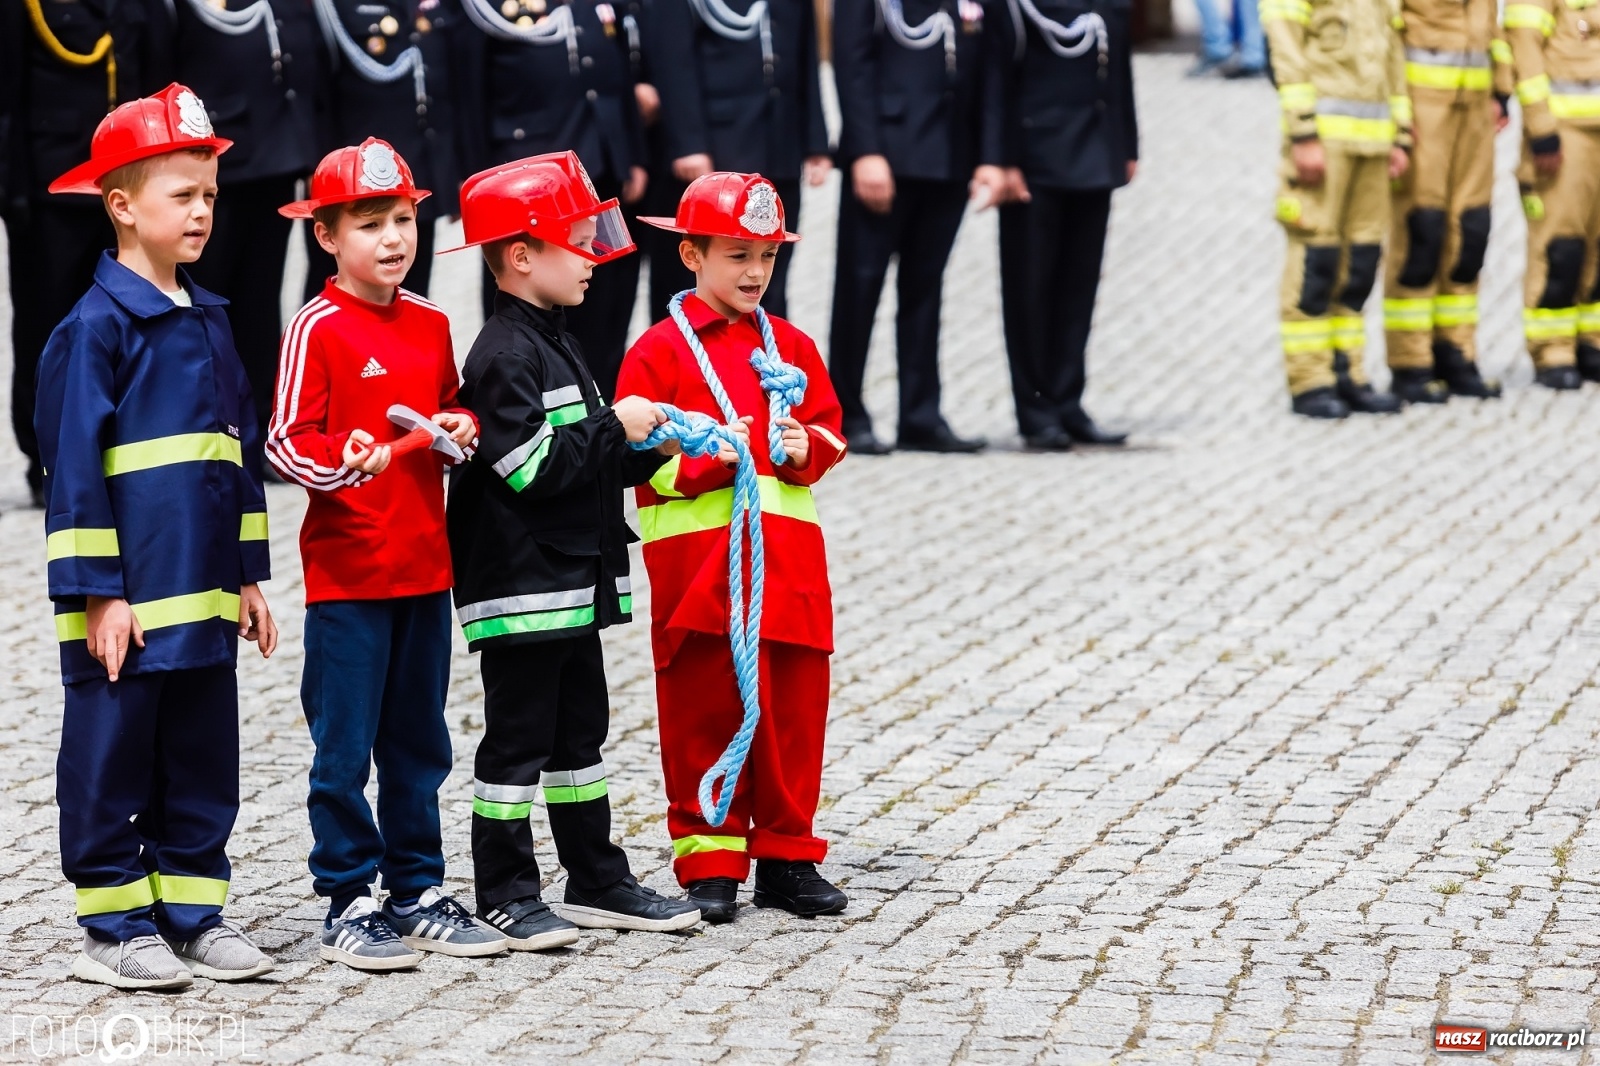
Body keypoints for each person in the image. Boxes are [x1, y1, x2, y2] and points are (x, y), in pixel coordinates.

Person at [35, 84, 278, 989]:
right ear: (123, 206)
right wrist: (99, 592)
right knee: (111, 755)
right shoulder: (92, 329)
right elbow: (75, 475)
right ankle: (114, 922)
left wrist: (249, 577)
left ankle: (192, 910)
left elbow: (234, 458)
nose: (204, 211)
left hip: (205, 597)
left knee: (203, 754)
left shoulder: (210, 319)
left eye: (210, 194)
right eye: (183, 194)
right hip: (125, 606)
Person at [442, 152, 703, 947]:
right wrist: (610, 428)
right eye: (578, 243)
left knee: (579, 737)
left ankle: (595, 876)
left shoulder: (556, 342)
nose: (594, 258)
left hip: (570, 584)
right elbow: (531, 469)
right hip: (523, 591)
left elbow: (584, 462)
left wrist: (646, 450)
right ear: (521, 255)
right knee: (517, 743)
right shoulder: (502, 355)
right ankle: (506, 890)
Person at [268, 140, 505, 971]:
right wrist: (346, 460)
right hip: (349, 578)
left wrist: (459, 433)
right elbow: (287, 444)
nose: (393, 238)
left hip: (423, 569)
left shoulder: (434, 322)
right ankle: (348, 894)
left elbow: (446, 415)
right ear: (327, 236)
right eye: (370, 223)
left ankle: (418, 887)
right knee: (344, 745)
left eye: (402, 219)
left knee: (420, 740)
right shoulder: (317, 327)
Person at [619, 172, 849, 923]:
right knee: (702, 711)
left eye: (767, 257)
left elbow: (830, 432)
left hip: (785, 571)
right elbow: (638, 461)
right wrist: (717, 457)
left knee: (791, 713)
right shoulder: (657, 354)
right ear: (690, 255)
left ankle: (787, 855)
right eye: (736, 254)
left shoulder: (791, 348)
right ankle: (709, 859)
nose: (754, 272)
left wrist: (800, 444)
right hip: (700, 576)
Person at [2, 0, 171, 506]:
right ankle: (45, 457)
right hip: (50, 189)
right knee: (47, 328)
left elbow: (154, 86)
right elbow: (9, 91)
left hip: (121, 187)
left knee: (127, 324)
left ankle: (119, 446)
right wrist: (13, 191)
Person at [454, 0, 650, 398]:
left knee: (609, 308)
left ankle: (604, 413)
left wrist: (631, 155)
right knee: (530, 312)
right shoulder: (484, 7)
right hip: (528, 192)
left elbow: (616, 77)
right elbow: (467, 93)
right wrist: (476, 181)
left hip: (601, 171)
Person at [828, 0, 994, 455]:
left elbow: (989, 67)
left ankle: (920, 413)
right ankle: (844, 411)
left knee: (925, 289)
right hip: (886, 152)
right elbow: (852, 60)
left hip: (950, 153)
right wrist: (864, 149)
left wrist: (989, 156)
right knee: (859, 288)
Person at [975, 0, 1137, 449]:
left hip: (1095, 150)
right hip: (1033, 159)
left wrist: (1127, 142)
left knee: (1078, 287)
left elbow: (1118, 68)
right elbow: (995, 79)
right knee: (1030, 290)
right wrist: (1000, 158)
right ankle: (1035, 408)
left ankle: (1068, 400)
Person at [169, 0, 322, 437]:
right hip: (209, 163)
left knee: (259, 301)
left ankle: (257, 421)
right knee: (203, 298)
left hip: (273, 157)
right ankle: (202, 420)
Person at [1259, 0, 1411, 418]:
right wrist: (1303, 131)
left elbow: (1392, 54)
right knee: (1315, 262)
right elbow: (1287, 51)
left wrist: (1401, 134)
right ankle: (1310, 380)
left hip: (1374, 144)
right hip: (1323, 143)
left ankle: (1349, 373)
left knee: (1359, 265)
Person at [650, 0, 833, 320]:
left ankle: (766, 358)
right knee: (698, 279)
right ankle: (690, 362)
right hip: (716, 149)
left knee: (768, 277)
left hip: (779, 146)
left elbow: (806, 54)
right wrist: (688, 141)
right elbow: (672, 57)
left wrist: (815, 142)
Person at [1381, 0, 1511, 403]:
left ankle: (1455, 353)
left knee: (1470, 233)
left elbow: (1493, 24)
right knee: (1423, 231)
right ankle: (1410, 362)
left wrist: (1502, 89)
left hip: (1473, 110)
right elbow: (1384, 34)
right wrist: (1397, 116)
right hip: (1424, 108)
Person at [303, 0, 464, 300]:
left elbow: (451, 90)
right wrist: (314, 168)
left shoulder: (425, 7)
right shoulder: (331, 8)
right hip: (350, 186)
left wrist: (452, 171)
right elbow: (313, 94)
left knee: (410, 293)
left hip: (413, 173)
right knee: (337, 296)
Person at [1504, 0, 1600, 388]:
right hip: (1564, 133)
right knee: (1561, 245)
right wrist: (1541, 126)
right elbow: (1523, 47)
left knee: (1598, 247)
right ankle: (1552, 349)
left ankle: (1591, 341)